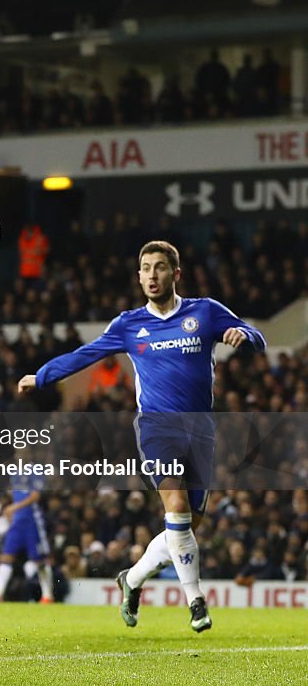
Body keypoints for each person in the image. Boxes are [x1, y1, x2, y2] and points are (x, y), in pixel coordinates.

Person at [18, 240, 266, 633]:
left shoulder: (204, 312)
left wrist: (242, 335)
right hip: (155, 429)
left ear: (176, 274)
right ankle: (196, 602)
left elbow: (257, 336)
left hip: (201, 431)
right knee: (178, 509)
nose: (152, 275)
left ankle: (131, 580)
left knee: (181, 529)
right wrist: (43, 376)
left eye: (160, 267)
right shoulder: (129, 324)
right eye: (145, 268)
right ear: (138, 276)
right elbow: (88, 353)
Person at [0, 468, 54, 604]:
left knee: (39, 560)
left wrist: (14, 508)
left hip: (32, 521)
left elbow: (35, 496)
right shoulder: (14, 473)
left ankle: (47, 595)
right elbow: (16, 495)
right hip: (17, 522)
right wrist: (12, 513)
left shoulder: (36, 471)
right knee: (6, 557)